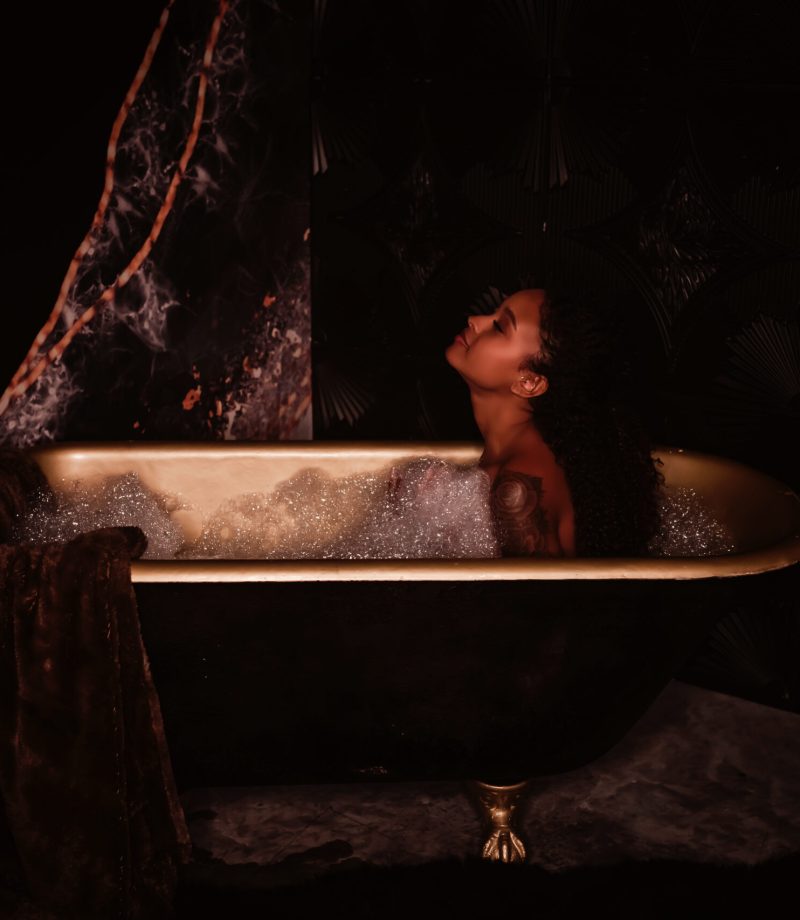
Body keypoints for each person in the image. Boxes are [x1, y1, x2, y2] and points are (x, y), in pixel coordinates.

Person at [445, 287, 665, 558]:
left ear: (529, 382)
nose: (475, 320)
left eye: (499, 328)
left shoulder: (519, 487)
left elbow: (541, 600)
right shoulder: (511, 456)